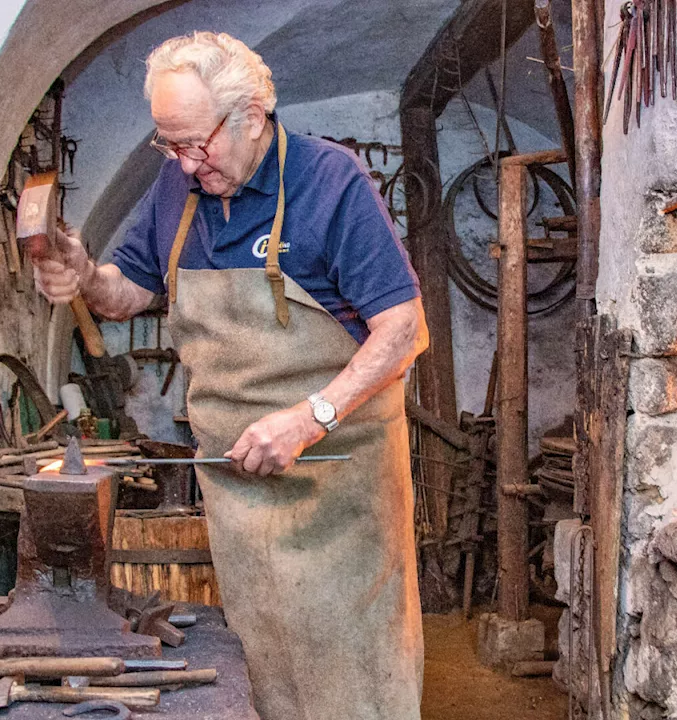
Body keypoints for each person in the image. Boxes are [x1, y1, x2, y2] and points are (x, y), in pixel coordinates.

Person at [32, 30, 426, 720]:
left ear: (252, 116)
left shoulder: (329, 182)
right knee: (260, 669)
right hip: (237, 486)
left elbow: (403, 329)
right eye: (168, 146)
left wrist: (309, 418)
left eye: (195, 144)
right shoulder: (176, 188)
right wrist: (86, 275)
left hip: (339, 485)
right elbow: (130, 290)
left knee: (351, 675)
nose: (183, 165)